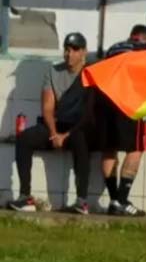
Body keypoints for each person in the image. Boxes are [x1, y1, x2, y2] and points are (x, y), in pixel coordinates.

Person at [8, 32, 96, 214]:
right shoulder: (53, 72)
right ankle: (25, 196)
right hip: (56, 126)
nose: (69, 54)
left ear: (83, 52)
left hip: (79, 127)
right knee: (25, 138)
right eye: (66, 49)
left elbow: (88, 114)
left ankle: (82, 200)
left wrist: (67, 135)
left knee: (81, 140)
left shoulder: (90, 74)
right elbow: (47, 108)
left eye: (74, 50)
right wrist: (55, 133)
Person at [96, 24, 146, 216]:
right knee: (135, 149)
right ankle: (122, 200)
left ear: (131, 35)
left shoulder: (113, 48)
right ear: (145, 38)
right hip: (129, 103)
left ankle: (113, 200)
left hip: (105, 103)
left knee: (109, 150)